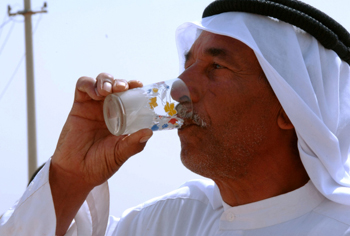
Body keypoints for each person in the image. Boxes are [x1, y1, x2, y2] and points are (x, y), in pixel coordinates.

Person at [1, 0, 350, 235]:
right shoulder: (164, 222)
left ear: (290, 109)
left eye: (216, 67)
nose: (181, 89)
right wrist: (69, 177)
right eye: (188, 66)